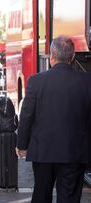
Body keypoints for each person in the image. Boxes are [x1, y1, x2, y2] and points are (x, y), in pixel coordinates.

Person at [16, 35, 91, 203]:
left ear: (52, 56)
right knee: (69, 198)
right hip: (74, 152)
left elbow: (26, 116)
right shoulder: (87, 81)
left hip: (43, 152)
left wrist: (21, 144)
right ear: (72, 57)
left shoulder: (36, 81)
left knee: (41, 195)